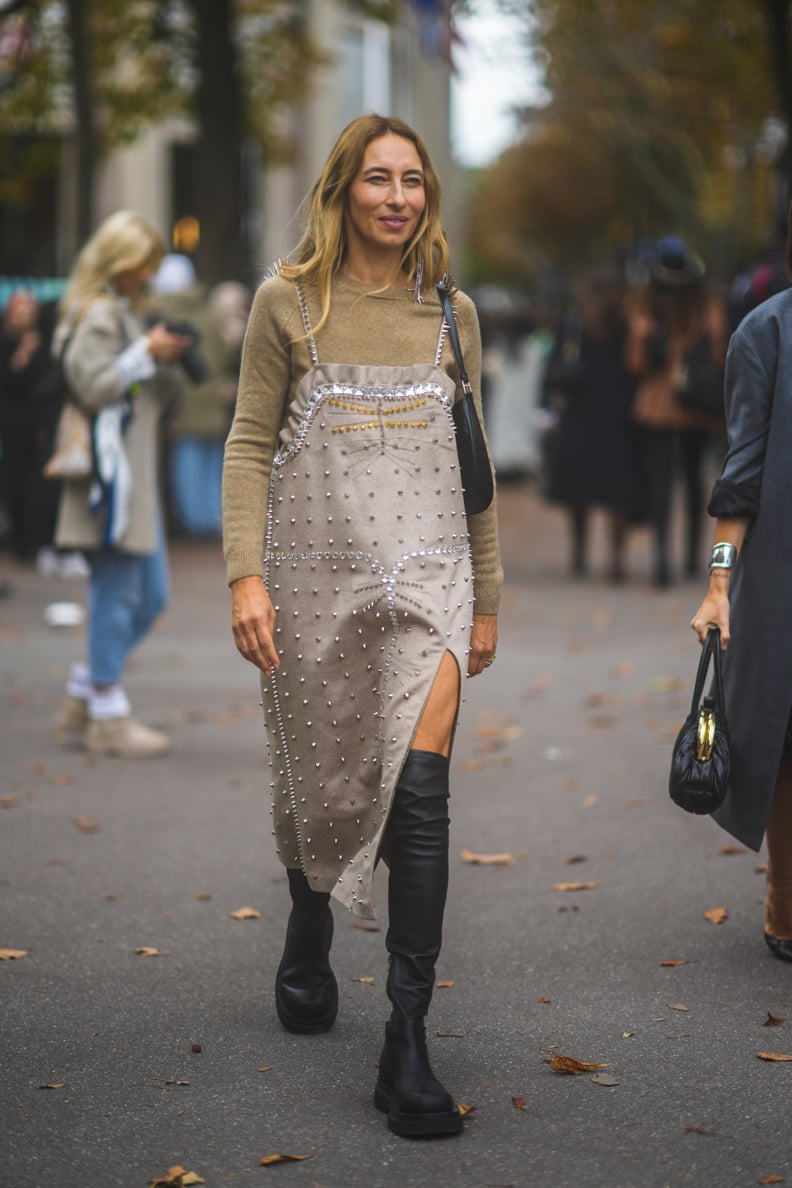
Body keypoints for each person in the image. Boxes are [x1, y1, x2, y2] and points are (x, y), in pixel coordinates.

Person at [222, 114, 502, 1138]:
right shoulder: (286, 303)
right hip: (310, 581)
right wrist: (245, 578)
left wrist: (491, 594)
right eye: (377, 181)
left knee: (417, 789)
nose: (396, 198)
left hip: (431, 580)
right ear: (341, 192)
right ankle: (307, 919)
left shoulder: (451, 315)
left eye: (413, 182)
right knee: (329, 779)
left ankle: (408, 1041)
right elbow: (250, 445)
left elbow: (475, 467)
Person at [691, 201, 792, 964]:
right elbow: (741, 479)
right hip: (781, 571)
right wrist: (720, 585)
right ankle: (785, 899)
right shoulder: (767, 332)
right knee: (784, 738)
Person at [52, 210, 192, 758]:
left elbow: (142, 394)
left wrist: (165, 359)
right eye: (142, 264)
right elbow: (93, 386)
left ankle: (85, 693)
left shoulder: (123, 311)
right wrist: (144, 354)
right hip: (109, 483)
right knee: (115, 595)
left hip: (131, 482)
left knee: (149, 597)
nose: (148, 275)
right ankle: (105, 709)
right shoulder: (100, 312)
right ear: (118, 261)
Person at [625, 237, 727, 586]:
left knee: (661, 482)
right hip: (696, 406)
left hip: (656, 406)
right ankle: (689, 557)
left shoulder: (647, 310)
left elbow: (635, 363)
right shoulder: (706, 309)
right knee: (695, 479)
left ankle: (662, 553)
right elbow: (717, 356)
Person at [542, 268, 641, 582]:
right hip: (618, 416)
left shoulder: (575, 324)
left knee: (578, 493)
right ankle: (616, 558)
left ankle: (579, 554)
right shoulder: (627, 325)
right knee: (617, 495)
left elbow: (553, 365)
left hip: (580, 412)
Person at [149, 253, 233, 538]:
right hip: (211, 398)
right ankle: (210, 518)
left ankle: (191, 520)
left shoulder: (163, 315)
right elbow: (223, 352)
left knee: (187, 462)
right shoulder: (209, 313)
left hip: (182, 401)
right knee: (211, 462)